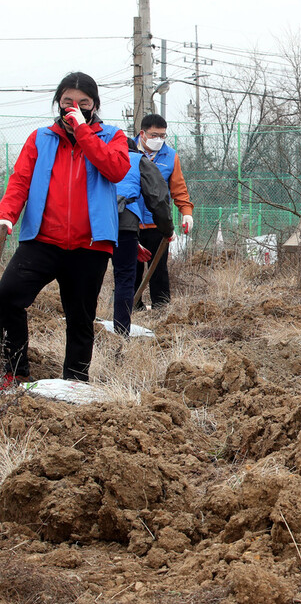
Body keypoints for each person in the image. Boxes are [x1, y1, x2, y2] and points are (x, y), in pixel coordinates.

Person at [0, 72, 129, 383]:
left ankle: (74, 383)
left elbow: (116, 169)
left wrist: (84, 132)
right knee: (7, 297)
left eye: (83, 103)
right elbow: (20, 180)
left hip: (90, 244)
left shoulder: (112, 136)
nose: (74, 107)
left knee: (80, 318)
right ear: (58, 102)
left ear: (94, 105)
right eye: (68, 102)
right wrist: (7, 215)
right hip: (42, 240)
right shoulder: (40, 138)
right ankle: (16, 373)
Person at [113, 138, 174, 337]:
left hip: (91, 222)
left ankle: (85, 322)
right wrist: (167, 229)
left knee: (88, 275)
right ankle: (121, 332)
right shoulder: (139, 160)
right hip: (125, 222)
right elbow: (158, 199)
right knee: (124, 277)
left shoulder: (97, 157)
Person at [133, 114, 194, 310]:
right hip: (130, 221)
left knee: (158, 269)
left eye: (162, 136)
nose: (158, 140)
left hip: (156, 223)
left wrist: (186, 212)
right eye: (154, 135)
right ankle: (131, 307)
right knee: (130, 269)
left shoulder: (170, 156)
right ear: (142, 134)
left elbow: (178, 188)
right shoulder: (125, 150)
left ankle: (162, 307)